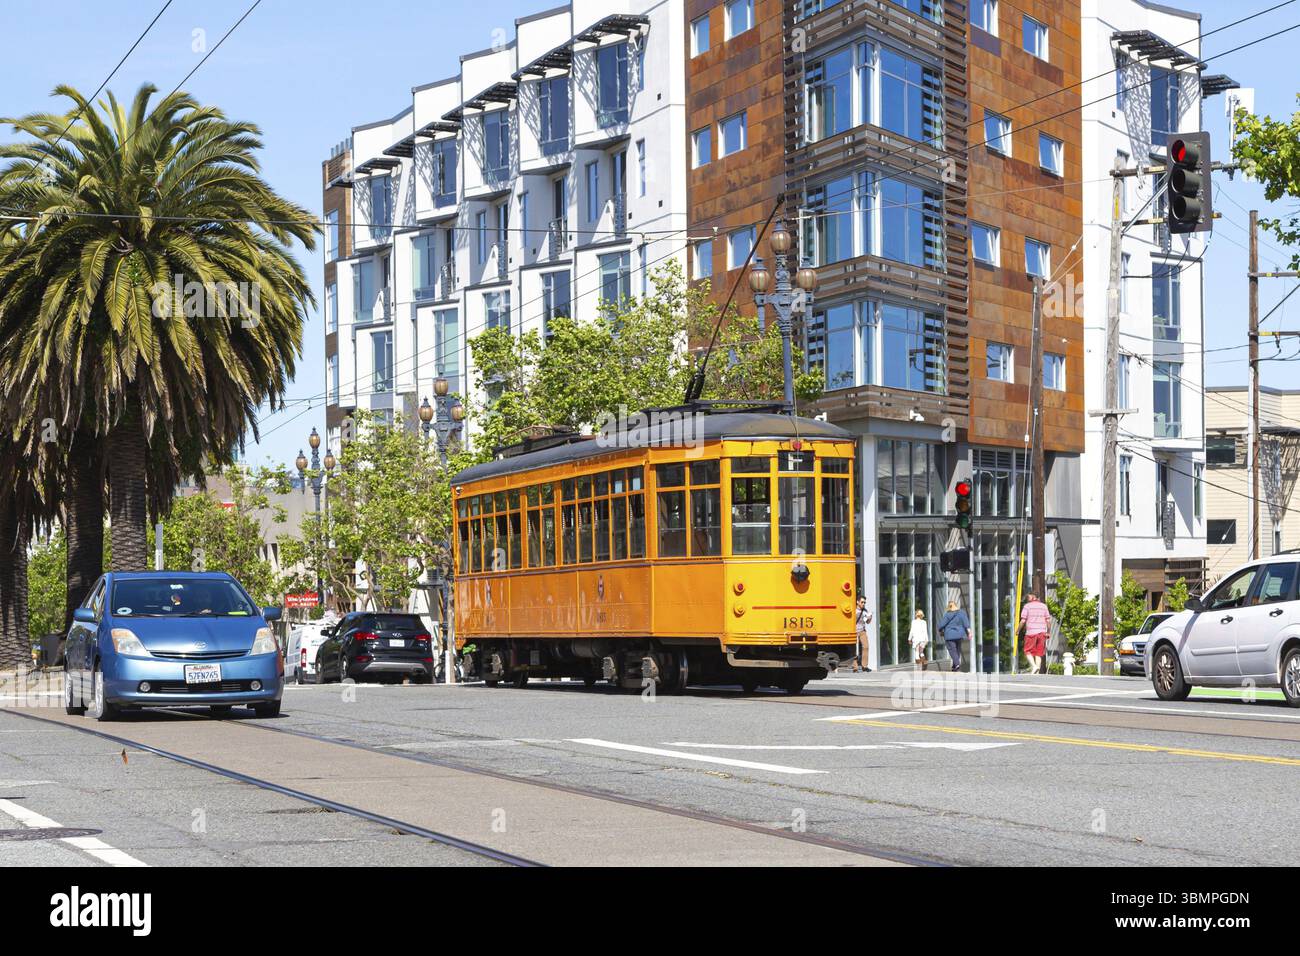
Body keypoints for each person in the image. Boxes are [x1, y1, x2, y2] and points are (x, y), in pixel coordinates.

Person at [1020, 592, 1052, 675]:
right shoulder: (1044, 606)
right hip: (1042, 632)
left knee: (1027, 650)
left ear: (1033, 597)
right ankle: (1036, 672)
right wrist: (1048, 632)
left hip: (1031, 632)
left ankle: (1034, 666)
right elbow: (1048, 621)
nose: (1028, 598)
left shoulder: (1027, 606)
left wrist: (1018, 630)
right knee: (1039, 652)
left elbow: (1023, 620)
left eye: (1029, 596)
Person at [937, 600, 972, 672]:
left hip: (949, 635)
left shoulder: (947, 614)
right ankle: (954, 667)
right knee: (957, 650)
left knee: (952, 650)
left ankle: (957, 664)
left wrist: (940, 630)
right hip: (959, 635)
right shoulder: (962, 613)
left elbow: (941, 625)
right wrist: (969, 633)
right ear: (956, 605)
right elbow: (966, 624)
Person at [853, 597, 873, 672]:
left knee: (866, 647)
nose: (863, 604)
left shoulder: (865, 611)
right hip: (854, 631)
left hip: (862, 631)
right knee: (854, 649)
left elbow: (867, 622)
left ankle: (864, 666)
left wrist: (869, 617)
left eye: (864, 602)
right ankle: (855, 667)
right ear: (857, 602)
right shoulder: (854, 610)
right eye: (862, 602)